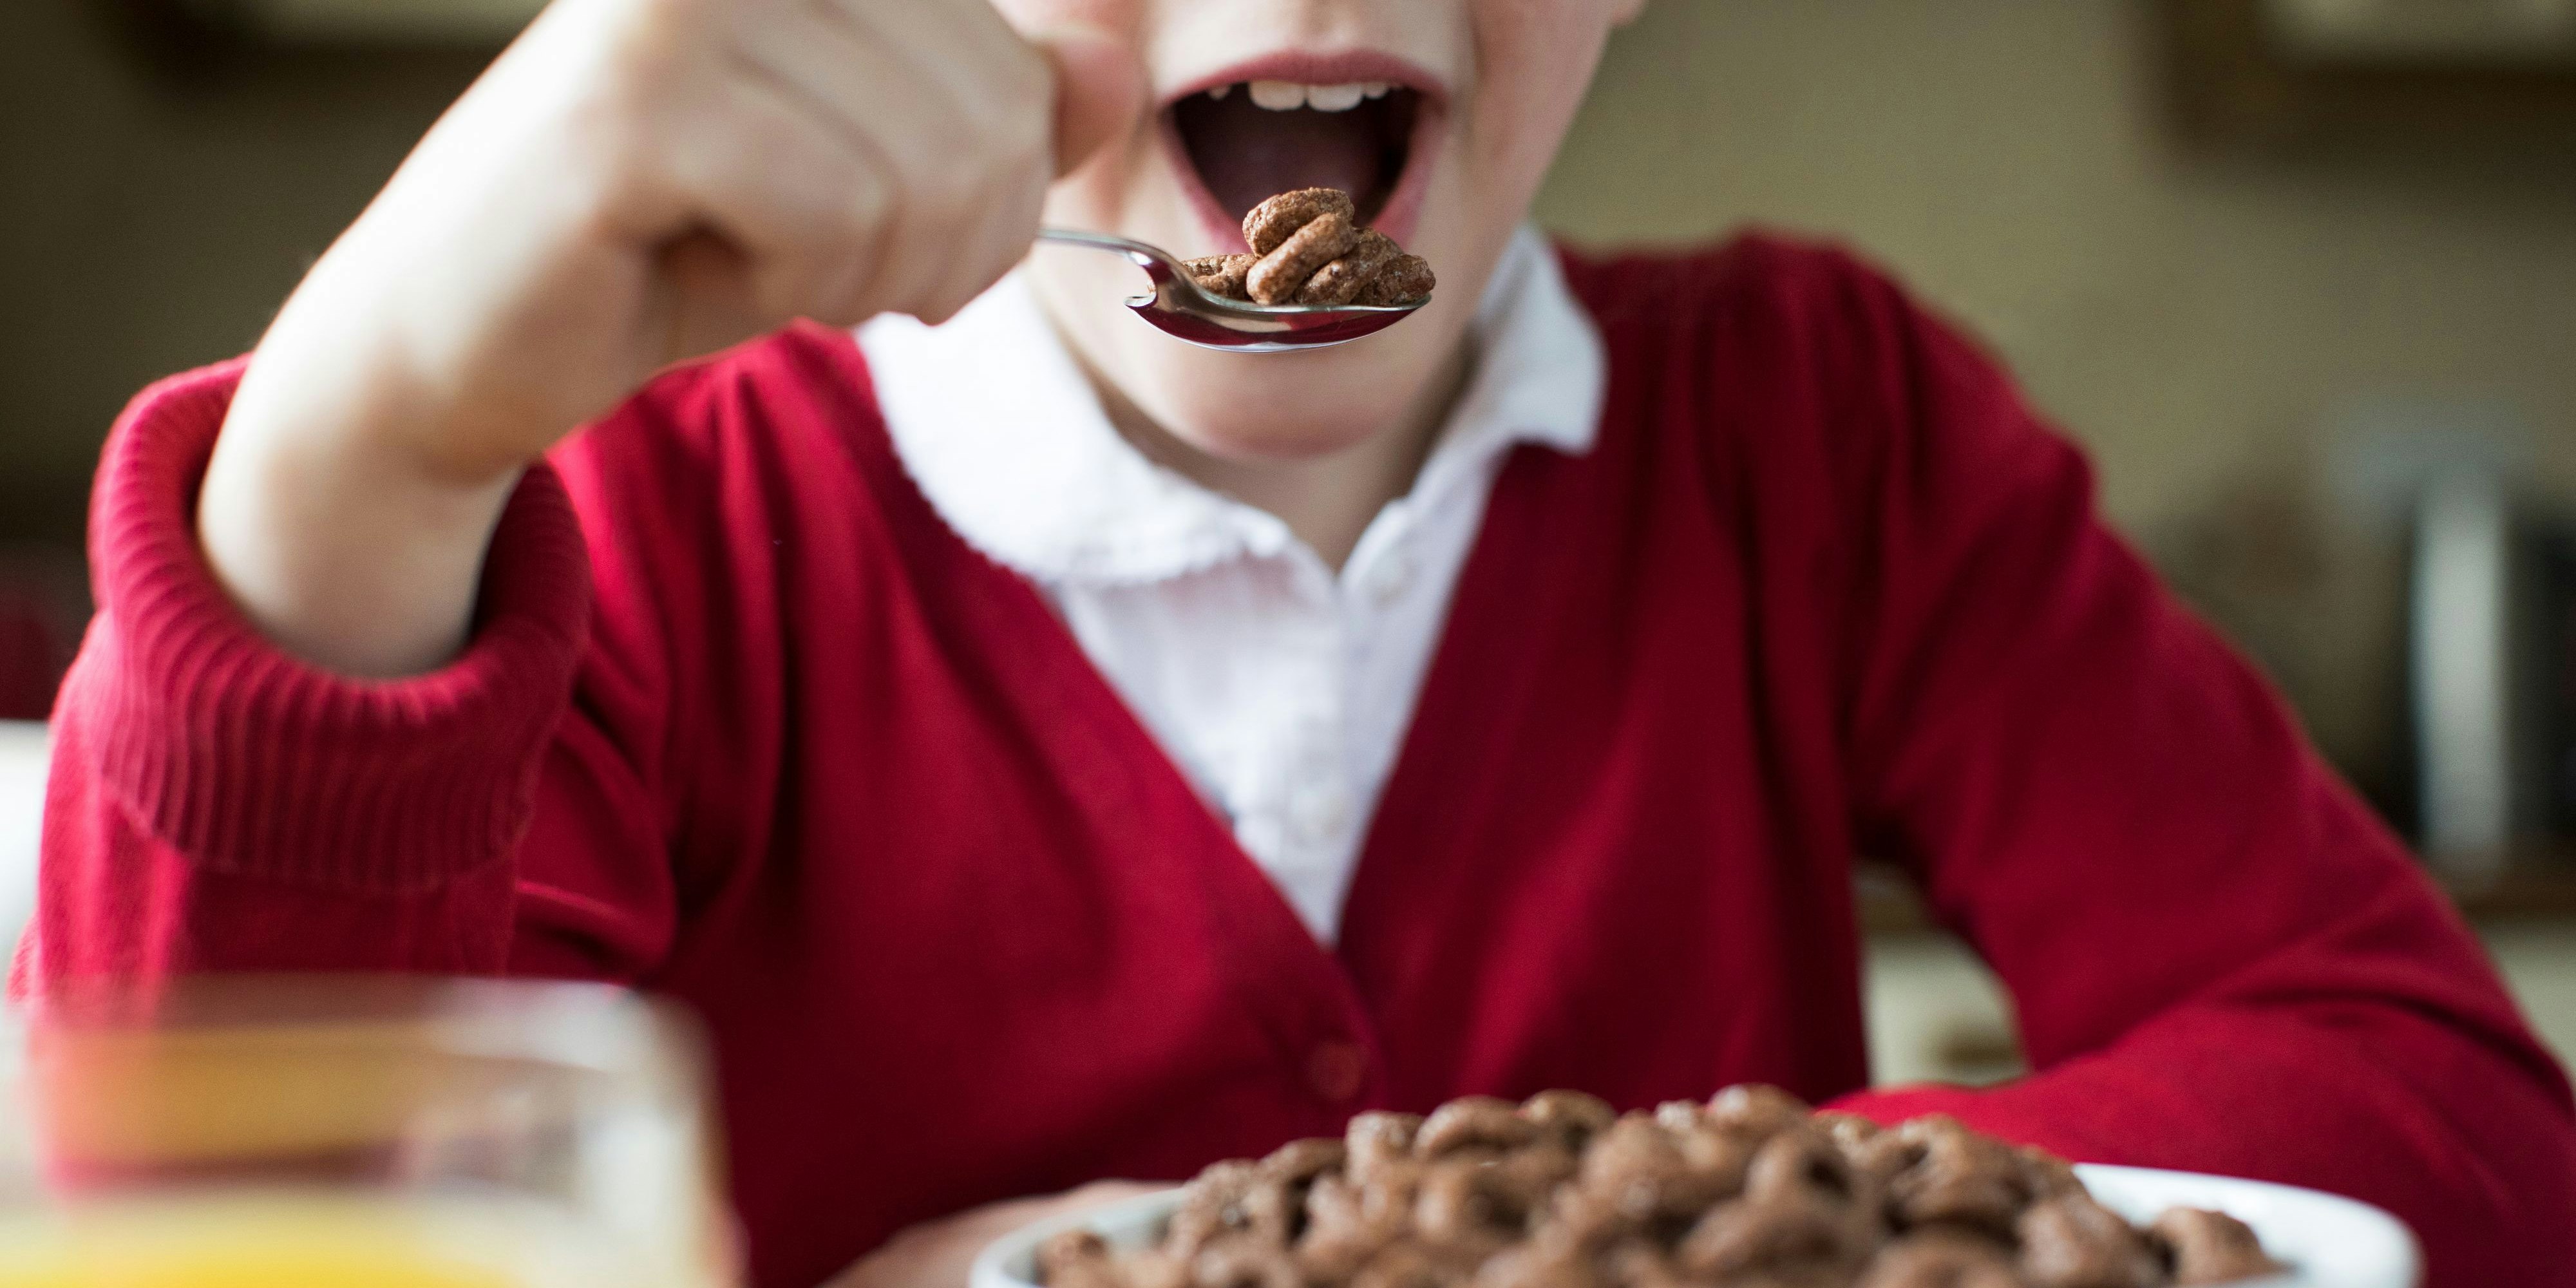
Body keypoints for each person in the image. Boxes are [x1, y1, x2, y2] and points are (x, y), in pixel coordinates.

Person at [23, 0, 2576, 1283]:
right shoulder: (636, 517)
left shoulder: (1820, 432)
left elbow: (2439, 1104)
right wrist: (367, 445)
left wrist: (1579, 1236)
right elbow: (208, 1207)